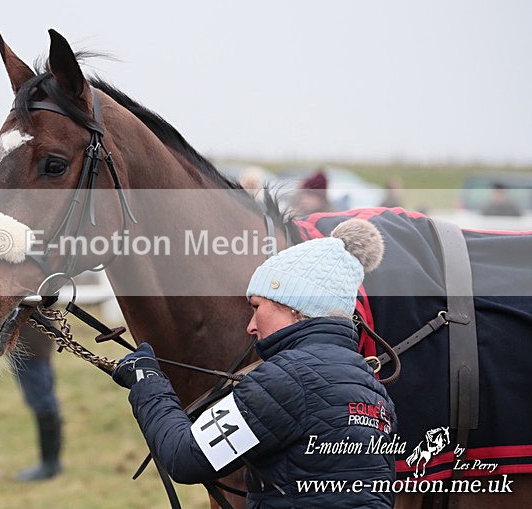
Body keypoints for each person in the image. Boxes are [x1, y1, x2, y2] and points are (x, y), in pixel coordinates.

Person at [112, 218, 396, 508]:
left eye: (257, 307)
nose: (250, 326)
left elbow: (185, 456)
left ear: (294, 306)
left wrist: (146, 380)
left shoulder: (285, 380)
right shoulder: (373, 389)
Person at [14, 323, 63, 481]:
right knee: (43, 399)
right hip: (33, 343)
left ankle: (50, 464)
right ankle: (51, 463)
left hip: (30, 346)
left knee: (42, 402)